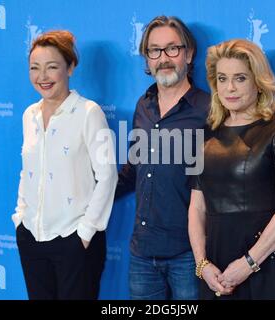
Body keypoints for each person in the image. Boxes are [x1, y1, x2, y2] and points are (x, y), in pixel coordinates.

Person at [188, 39, 275, 299]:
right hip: (216, 269)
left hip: (270, 262)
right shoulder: (204, 134)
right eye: (222, 79)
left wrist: (248, 263)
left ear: (258, 82)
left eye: (240, 78)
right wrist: (202, 265)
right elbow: (196, 207)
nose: (230, 88)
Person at [12, 30, 118, 300]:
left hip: (74, 239)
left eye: (52, 67)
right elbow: (28, 171)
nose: (42, 77)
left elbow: (107, 176)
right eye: (35, 68)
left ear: (70, 67)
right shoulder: (29, 115)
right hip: (32, 238)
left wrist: (84, 233)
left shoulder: (89, 112)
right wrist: (20, 218)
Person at [115, 16, 210, 300]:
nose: (163, 59)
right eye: (154, 51)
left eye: (172, 49)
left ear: (189, 53)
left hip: (189, 253)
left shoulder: (209, 109)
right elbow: (134, 166)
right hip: (142, 253)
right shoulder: (143, 105)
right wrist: (93, 192)